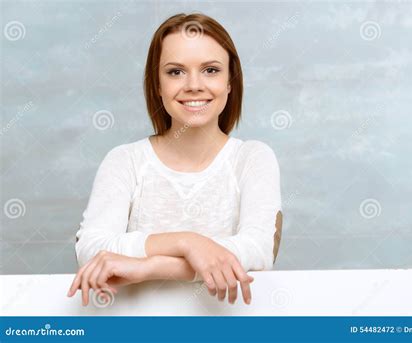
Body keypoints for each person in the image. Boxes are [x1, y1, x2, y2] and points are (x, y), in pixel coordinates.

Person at [67, 12, 282, 307]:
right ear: (157, 85)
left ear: (230, 83)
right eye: (175, 72)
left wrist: (150, 267)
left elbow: (258, 251)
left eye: (210, 70)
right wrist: (187, 243)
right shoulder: (124, 161)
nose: (193, 85)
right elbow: (92, 251)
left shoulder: (253, 158)